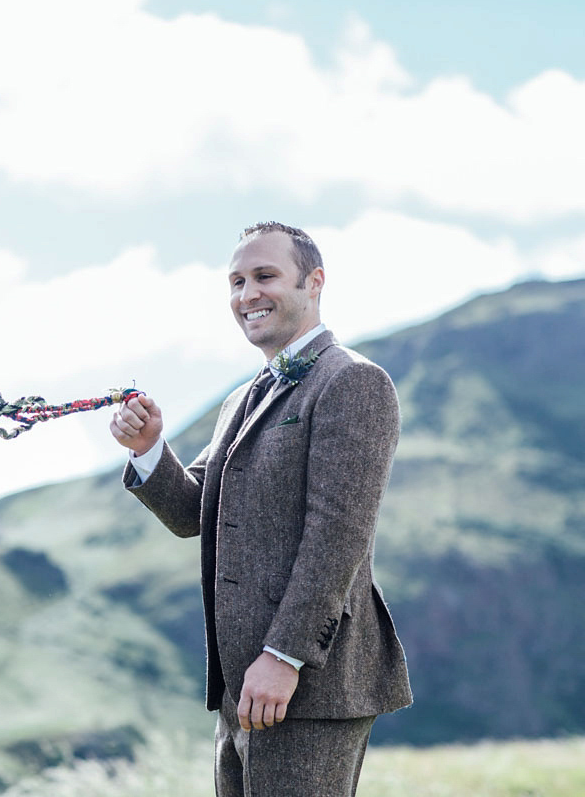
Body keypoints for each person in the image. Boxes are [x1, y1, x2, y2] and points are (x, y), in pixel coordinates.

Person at [110, 222, 412, 796]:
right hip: (241, 687)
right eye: (236, 281)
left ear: (314, 281)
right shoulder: (239, 399)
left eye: (265, 276)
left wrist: (284, 656)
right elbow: (191, 512)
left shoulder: (352, 381)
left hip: (306, 683)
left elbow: (337, 536)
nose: (247, 294)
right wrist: (149, 448)